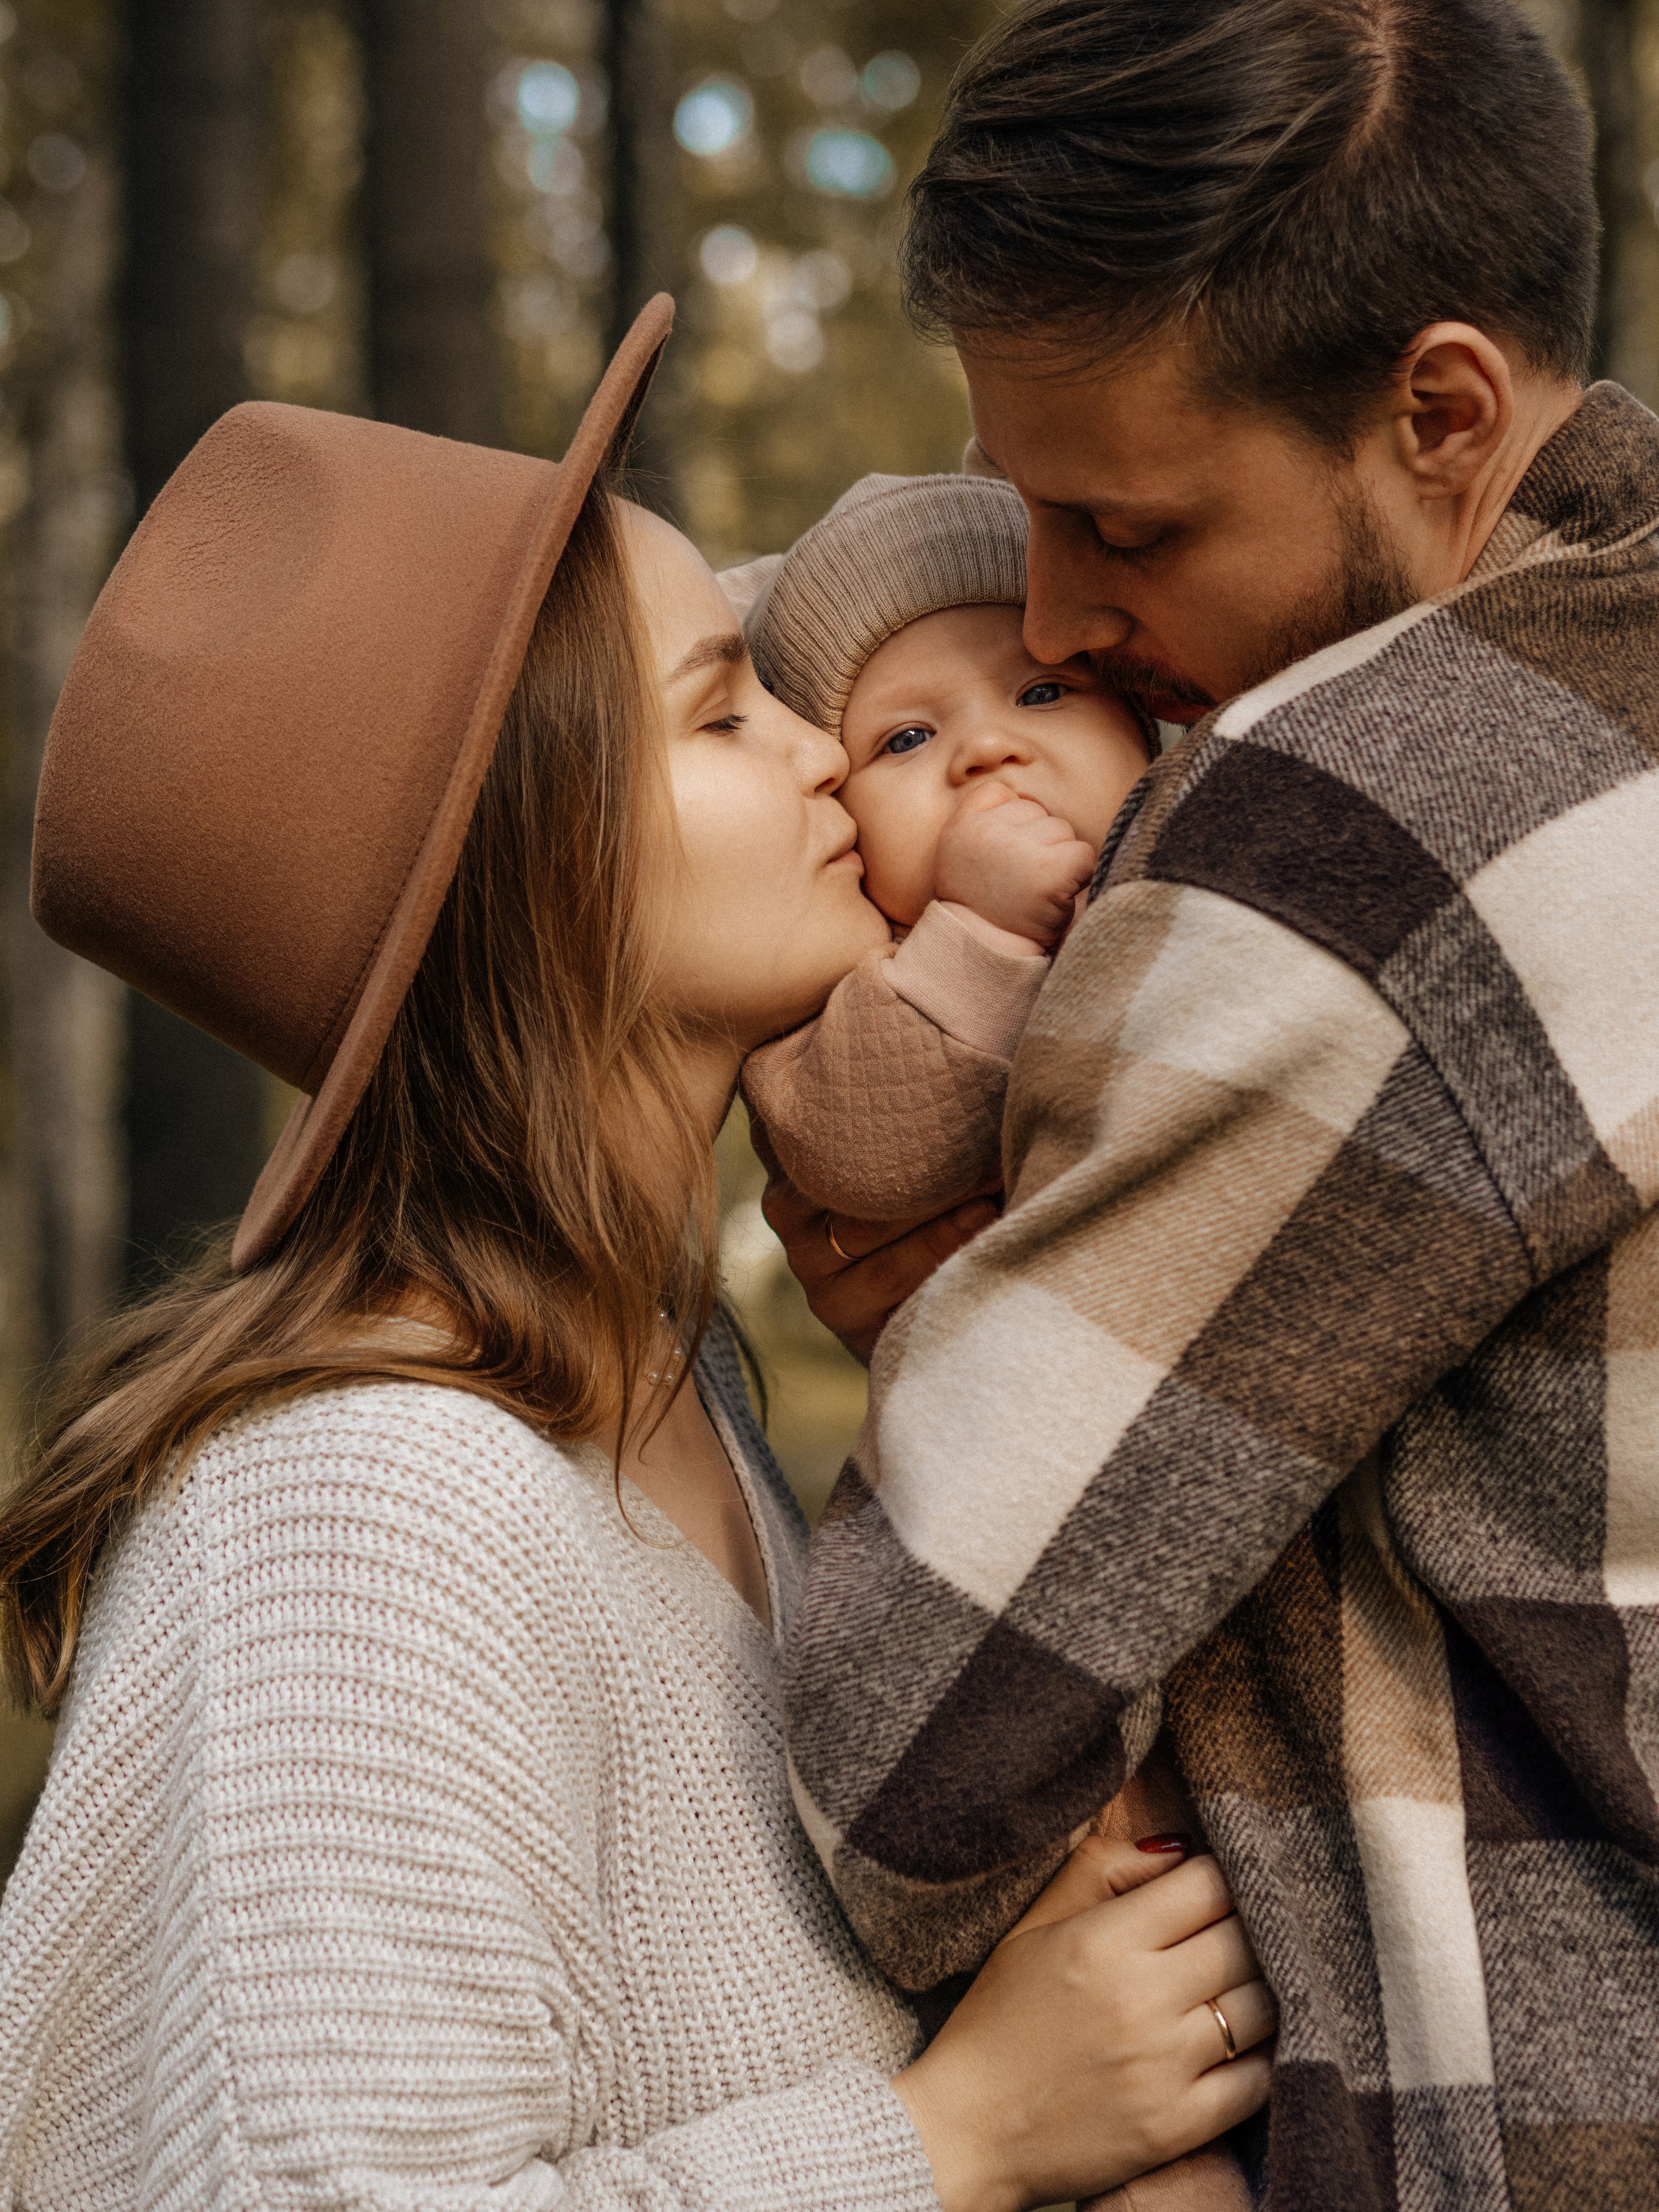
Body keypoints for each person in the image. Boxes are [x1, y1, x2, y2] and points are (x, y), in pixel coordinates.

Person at [0, 301, 1274, 2212]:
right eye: (720, 711)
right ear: (535, 866)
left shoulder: (681, 1407)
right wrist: (953, 2138)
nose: (830, 753)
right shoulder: (363, 1509)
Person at [772, 3, 1659, 2208]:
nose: (1059, 616)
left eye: (1126, 524)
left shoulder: (1354, 820)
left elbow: (908, 1757)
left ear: (1439, 408)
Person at [742, 469, 1154, 1223]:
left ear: (1140, 721)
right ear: (835, 817)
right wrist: (984, 933)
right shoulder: (857, 986)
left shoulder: (1203, 839)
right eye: (906, 739)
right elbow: (865, 1159)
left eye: (1042, 692)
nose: (988, 747)